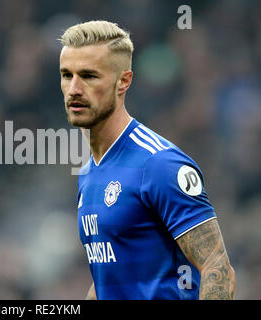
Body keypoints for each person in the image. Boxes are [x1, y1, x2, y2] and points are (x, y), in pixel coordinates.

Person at [59, 20, 235, 300]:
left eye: (89, 76)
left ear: (123, 81)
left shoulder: (159, 164)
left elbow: (218, 269)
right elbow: (107, 282)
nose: (74, 89)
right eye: (67, 75)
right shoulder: (89, 172)